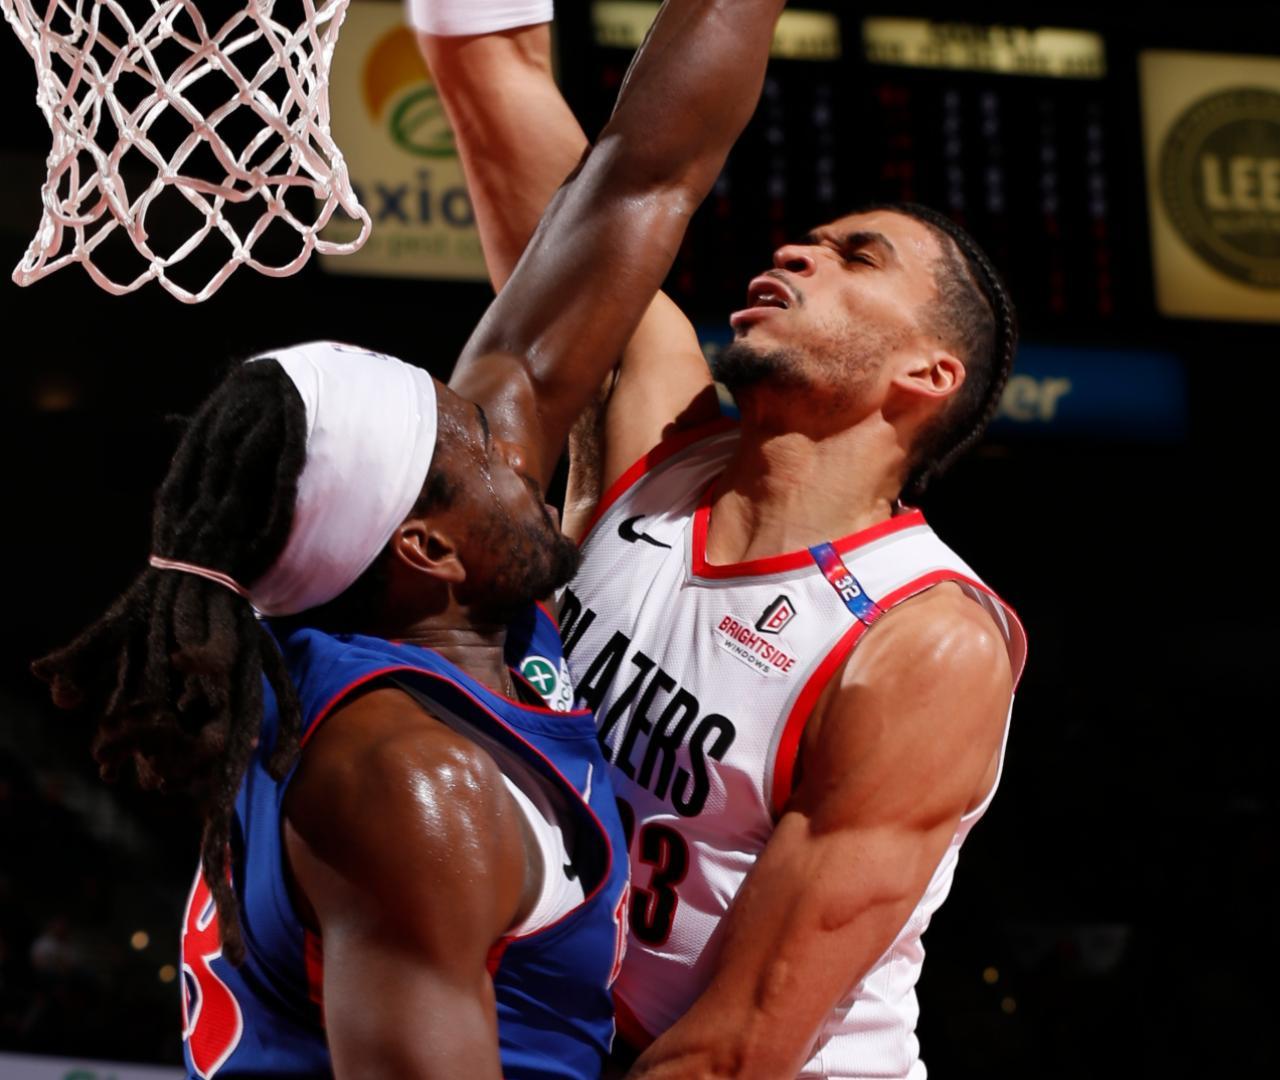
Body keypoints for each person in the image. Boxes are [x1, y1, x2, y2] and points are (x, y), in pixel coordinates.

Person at [31, 1, 787, 1075]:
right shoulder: (410, 785)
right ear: (426, 549)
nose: (516, 432)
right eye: (480, 444)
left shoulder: (413, 594)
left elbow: (640, 178)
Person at [420, 9, 1029, 1077]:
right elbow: (526, 130)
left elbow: (739, 1045)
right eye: (812, 239)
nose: (798, 248)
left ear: (927, 375)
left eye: (857, 257)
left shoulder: (925, 641)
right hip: (576, 1033)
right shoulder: (660, 437)